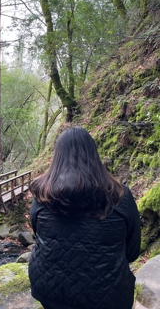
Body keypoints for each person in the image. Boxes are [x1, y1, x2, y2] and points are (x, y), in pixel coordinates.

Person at [28, 126, 141, 309]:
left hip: (50, 290)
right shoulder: (121, 195)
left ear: (58, 157)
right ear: (93, 156)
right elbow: (133, 251)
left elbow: (37, 233)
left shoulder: (42, 194)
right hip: (108, 296)